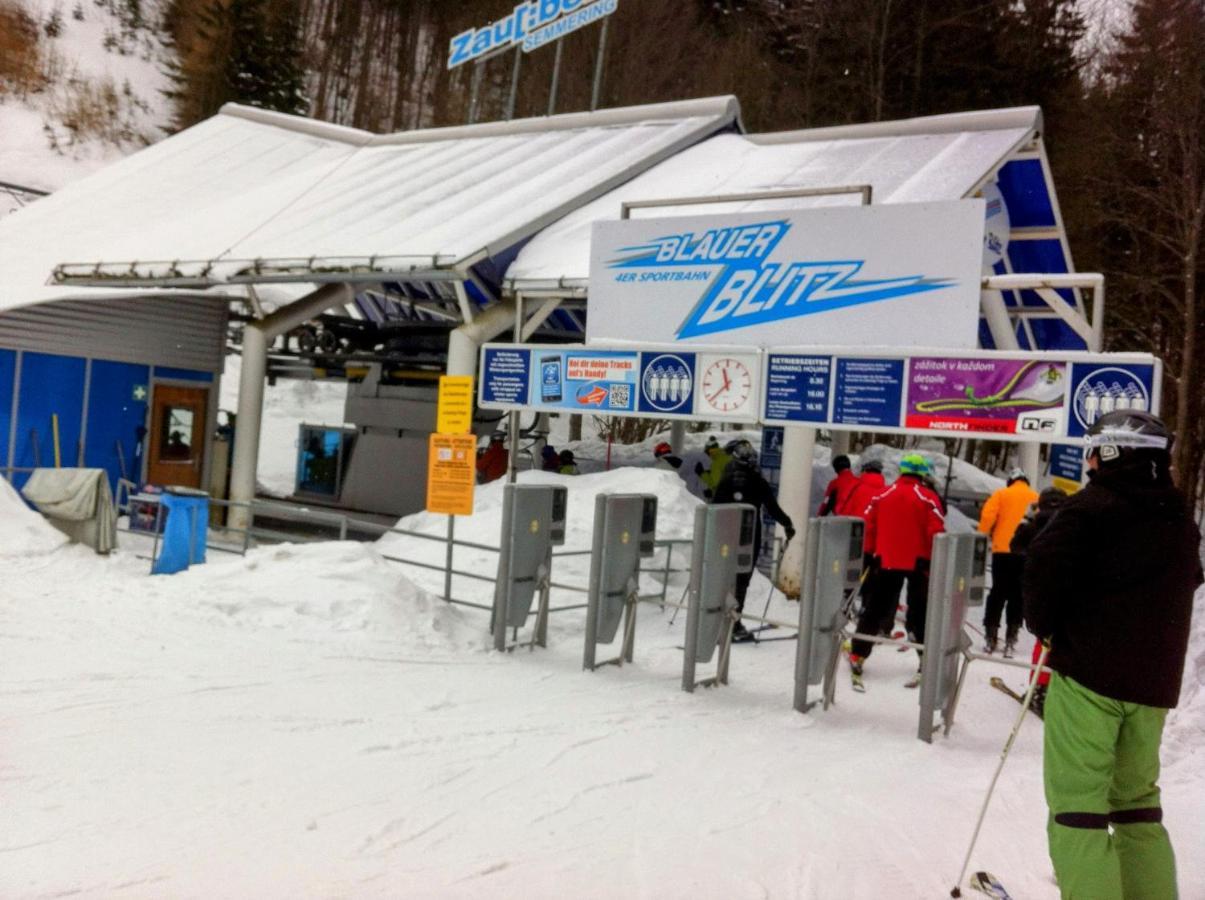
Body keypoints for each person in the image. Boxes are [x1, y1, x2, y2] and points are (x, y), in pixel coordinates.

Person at [1024, 410, 1201, 900]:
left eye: (1094, 452)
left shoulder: (1091, 508)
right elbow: (1190, 581)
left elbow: (1041, 567)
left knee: (1078, 808)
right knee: (1136, 805)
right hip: (1152, 685)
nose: (1089, 463)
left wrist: (1048, 627)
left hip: (1089, 679)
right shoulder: (1180, 518)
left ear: (1114, 452)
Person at [851, 453, 945, 685]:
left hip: (886, 559)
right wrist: (935, 560)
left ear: (902, 470)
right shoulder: (928, 497)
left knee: (874, 608)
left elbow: (868, 526)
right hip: (919, 562)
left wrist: (871, 553)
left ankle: (858, 653)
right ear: (923, 473)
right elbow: (937, 531)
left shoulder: (883, 494)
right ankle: (926, 659)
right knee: (920, 612)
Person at [710, 439, 794, 642]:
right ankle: (734, 622)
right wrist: (788, 524)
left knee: (726, 576)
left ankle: (720, 619)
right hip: (748, 536)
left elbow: (715, 505)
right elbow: (771, 506)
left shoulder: (727, 475)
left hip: (726, 536)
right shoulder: (756, 478)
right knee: (742, 579)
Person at [1009, 486, 1067, 717]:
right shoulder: (1071, 523)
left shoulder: (1033, 525)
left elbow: (1015, 547)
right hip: (1067, 591)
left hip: (1039, 592)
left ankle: (1040, 688)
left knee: (1042, 642)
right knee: (1063, 641)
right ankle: (1059, 687)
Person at [978, 467, 1040, 656]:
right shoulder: (1035, 497)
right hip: (1026, 553)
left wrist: (985, 533)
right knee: (1017, 596)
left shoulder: (1001, 494)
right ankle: (1011, 638)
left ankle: (991, 635)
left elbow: (988, 516)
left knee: (997, 593)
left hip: (1002, 551)